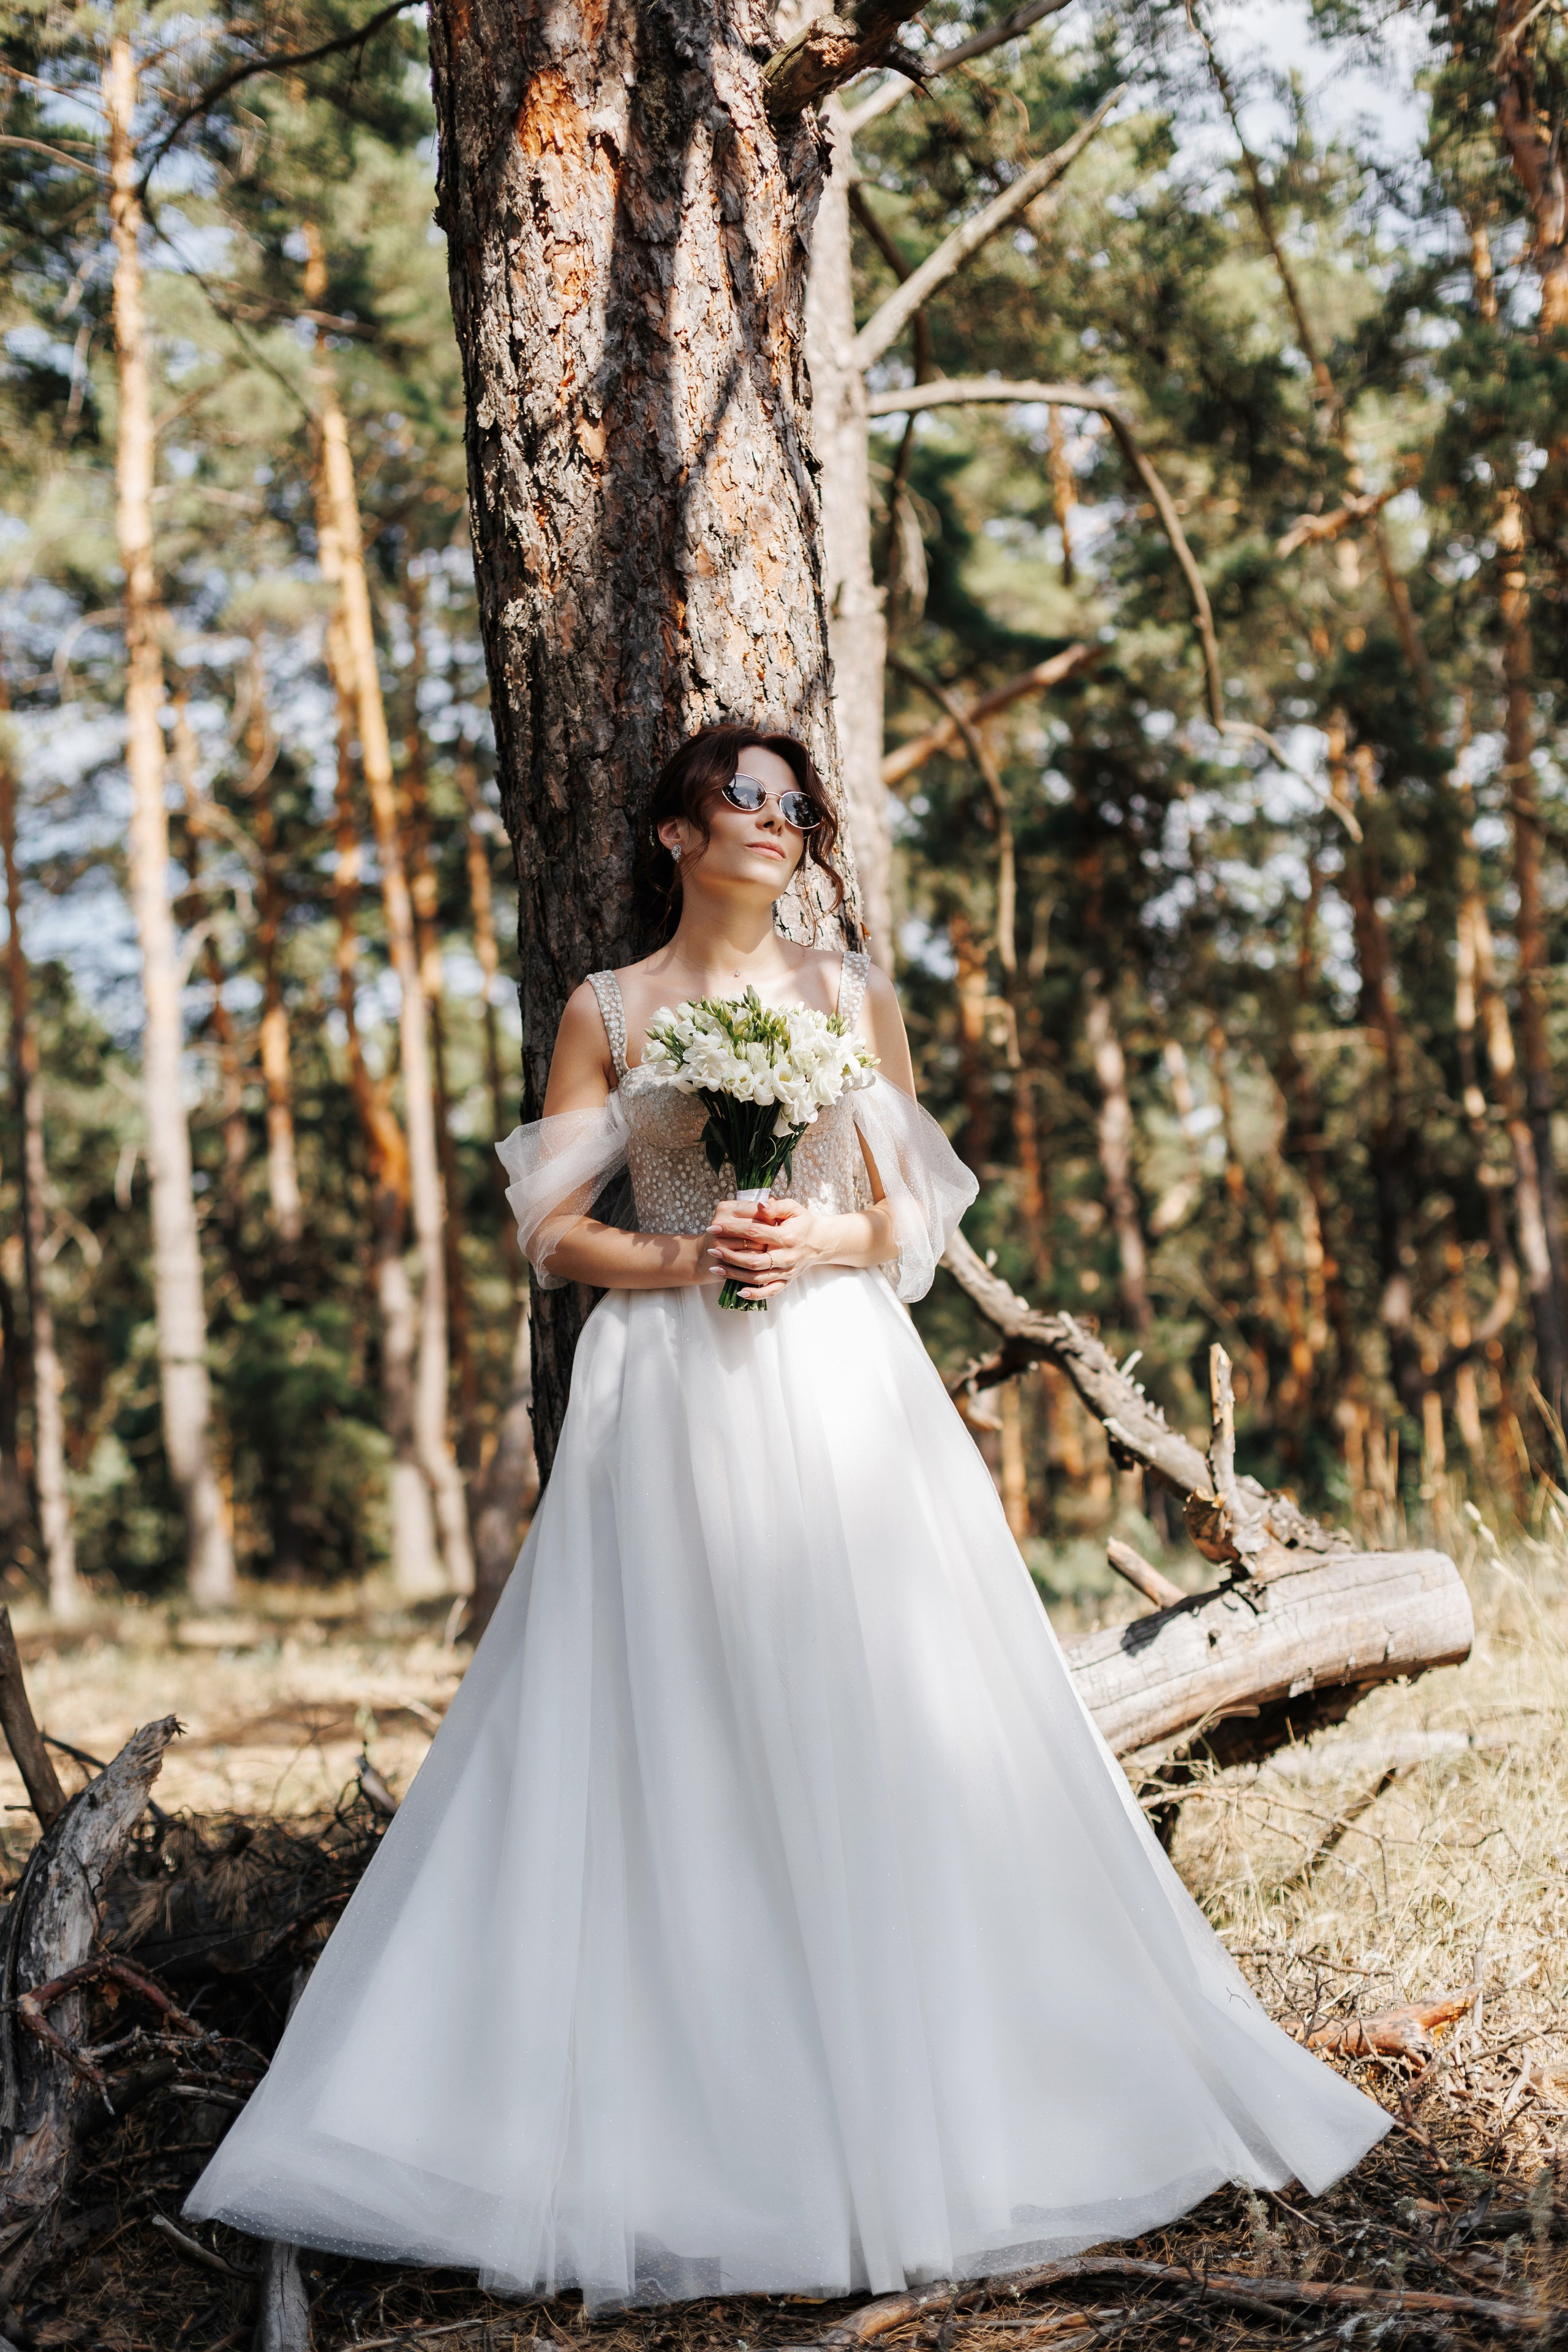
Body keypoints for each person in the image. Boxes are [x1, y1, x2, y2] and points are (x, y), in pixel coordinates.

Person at [187, 722, 1389, 2310]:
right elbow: (552, 1234)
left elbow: (912, 1219)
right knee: (664, 1730)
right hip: (664, 1400)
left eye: (792, 803)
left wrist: (812, 1241)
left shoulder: (848, 996)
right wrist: (690, 1253)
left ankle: (938, 2109)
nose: (774, 821)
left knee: (881, 1714)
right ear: (675, 835)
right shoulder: (610, 1009)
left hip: (836, 1387)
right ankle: (687, 2116)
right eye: (739, 800)